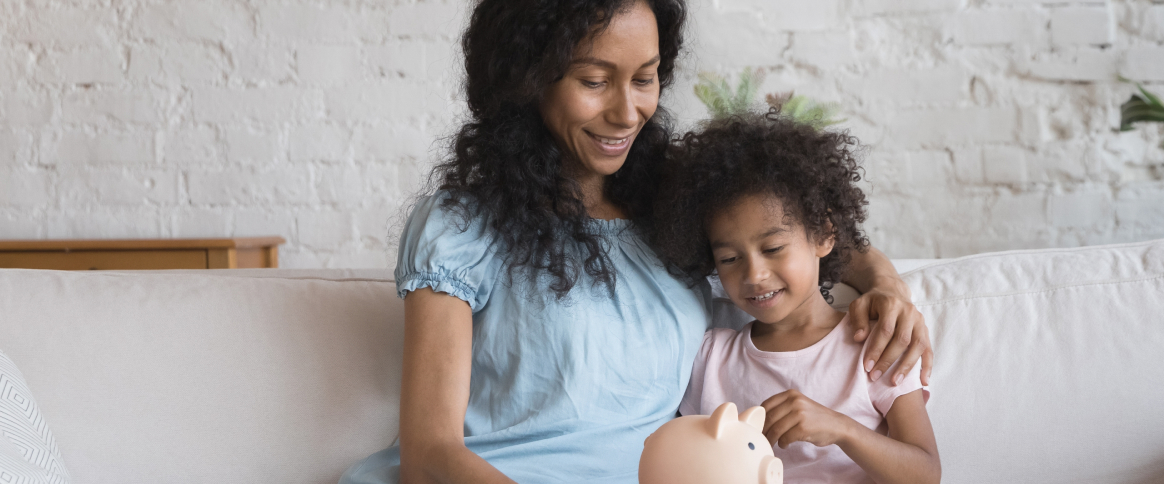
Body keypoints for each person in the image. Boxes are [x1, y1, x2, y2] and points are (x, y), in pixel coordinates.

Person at [338, 0, 934, 483]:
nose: (628, 112)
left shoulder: (673, 209)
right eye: (595, 81)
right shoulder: (463, 224)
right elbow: (430, 457)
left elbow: (804, 230)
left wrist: (885, 285)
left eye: (645, 79)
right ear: (528, 81)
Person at [651, 112, 939, 484]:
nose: (754, 275)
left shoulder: (875, 345)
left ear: (824, 235)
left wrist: (842, 429)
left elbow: (926, 473)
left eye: (773, 248)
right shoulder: (710, 359)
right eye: (729, 259)